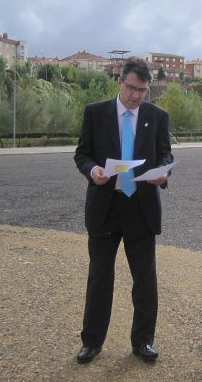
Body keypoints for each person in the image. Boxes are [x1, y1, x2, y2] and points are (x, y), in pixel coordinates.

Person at [74, 57, 173, 364]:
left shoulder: (158, 116)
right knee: (99, 278)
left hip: (141, 208)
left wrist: (163, 173)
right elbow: (82, 154)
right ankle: (92, 342)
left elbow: (165, 154)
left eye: (142, 90)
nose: (135, 95)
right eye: (131, 88)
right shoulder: (96, 112)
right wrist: (93, 172)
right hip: (106, 206)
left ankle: (143, 341)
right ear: (120, 81)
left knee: (145, 279)